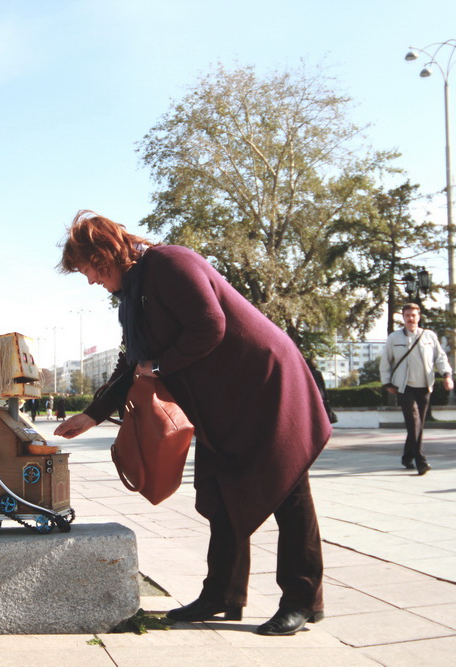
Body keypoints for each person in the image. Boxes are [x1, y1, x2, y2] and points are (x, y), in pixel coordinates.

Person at [53, 211, 332, 636]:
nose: (90, 280)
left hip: (265, 386)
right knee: (220, 493)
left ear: (104, 255)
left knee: (288, 491)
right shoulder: (133, 295)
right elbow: (133, 363)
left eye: (88, 269)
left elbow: (209, 325)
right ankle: (222, 594)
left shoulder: (170, 263)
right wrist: (93, 414)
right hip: (224, 402)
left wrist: (159, 366)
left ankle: (302, 599)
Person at [379, 302, 454, 476]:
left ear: (419, 317)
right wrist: (387, 383)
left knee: (418, 425)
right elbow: (385, 361)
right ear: (403, 318)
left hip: (425, 386)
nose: (410, 319)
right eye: (407, 315)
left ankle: (407, 457)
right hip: (404, 387)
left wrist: (447, 375)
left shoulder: (429, 336)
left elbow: (440, 357)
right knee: (414, 424)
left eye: (413, 315)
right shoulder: (394, 337)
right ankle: (421, 461)